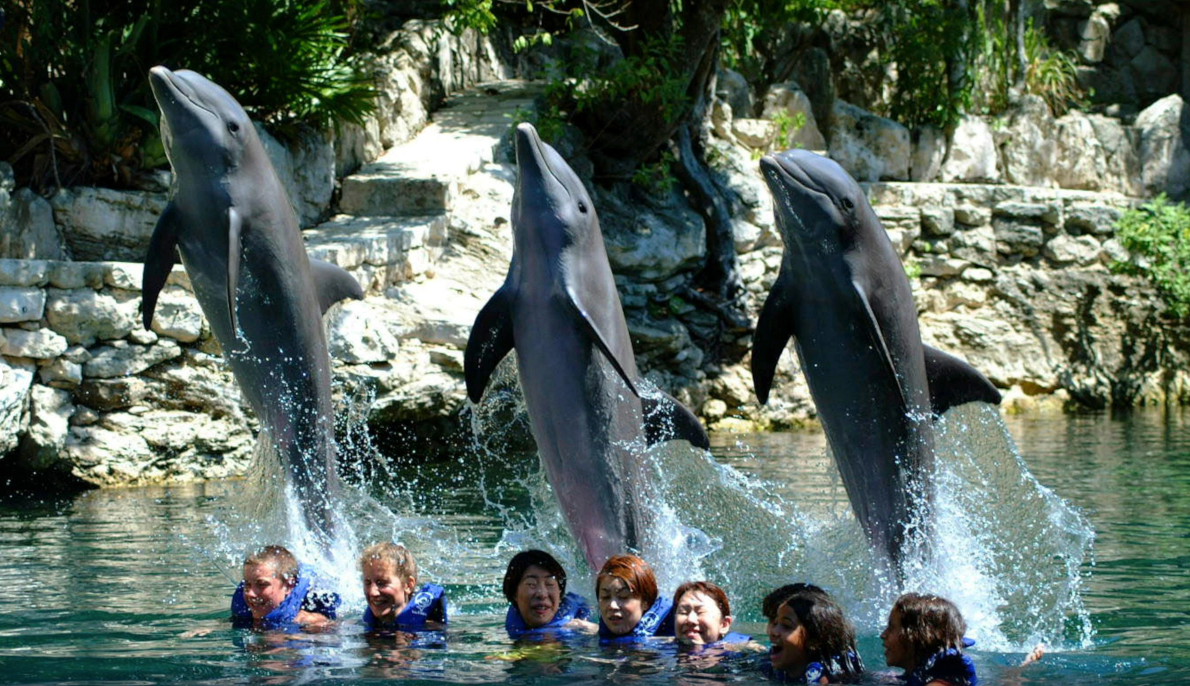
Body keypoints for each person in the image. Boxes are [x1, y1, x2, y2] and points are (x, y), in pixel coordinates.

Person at [761, 583, 864, 683]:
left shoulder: (818, 675)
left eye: (787, 626)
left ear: (814, 640)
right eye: (775, 622)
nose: (773, 631)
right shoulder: (778, 661)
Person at [230, 544, 340, 631]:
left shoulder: (308, 621)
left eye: (262, 584)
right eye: (247, 584)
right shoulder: (244, 614)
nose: (250, 593)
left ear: (288, 586)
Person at [881, 593, 977, 686]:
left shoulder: (946, 675)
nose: (883, 635)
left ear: (916, 636)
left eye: (891, 627)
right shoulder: (921, 671)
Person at [502, 549, 597, 638]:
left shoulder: (579, 628)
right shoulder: (514, 627)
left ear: (560, 593)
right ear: (514, 593)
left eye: (549, 584)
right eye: (531, 584)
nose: (542, 594)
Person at [361, 542, 447, 631]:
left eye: (382, 583)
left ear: (408, 585)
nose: (372, 592)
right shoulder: (355, 626)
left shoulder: (433, 630)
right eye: (367, 583)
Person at [595, 554, 674, 641]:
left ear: (646, 602)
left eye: (623, 597)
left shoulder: (672, 640)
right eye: (605, 597)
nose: (612, 605)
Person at [672, 580, 751, 646]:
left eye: (700, 612)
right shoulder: (662, 649)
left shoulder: (743, 651)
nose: (690, 619)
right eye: (683, 612)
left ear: (724, 624)